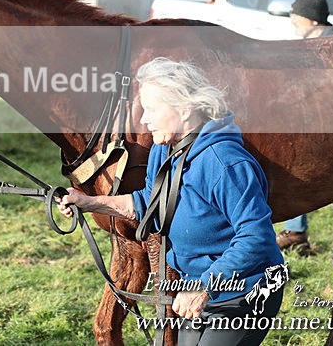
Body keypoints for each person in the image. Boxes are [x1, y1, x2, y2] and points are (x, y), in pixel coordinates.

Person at [59, 57, 285, 346]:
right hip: (195, 288)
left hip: (243, 292)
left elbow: (257, 239)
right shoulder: (164, 149)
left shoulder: (226, 164)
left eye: (152, 109)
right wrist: (88, 202)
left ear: (184, 109)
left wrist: (204, 287)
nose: (144, 120)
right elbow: (149, 202)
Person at [276, 0, 333, 253]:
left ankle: (295, 232)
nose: (292, 20)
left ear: (312, 20)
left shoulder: (327, 48)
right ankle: (295, 230)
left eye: (296, 16)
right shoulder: (310, 45)